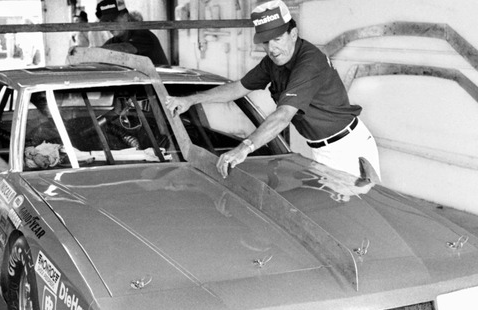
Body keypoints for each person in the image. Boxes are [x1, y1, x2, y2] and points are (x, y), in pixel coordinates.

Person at [166, 0, 380, 179]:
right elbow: (238, 88)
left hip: (348, 149)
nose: (272, 48)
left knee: (354, 212)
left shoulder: (309, 63)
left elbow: (283, 116)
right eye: (266, 42)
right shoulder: (273, 62)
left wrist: (244, 148)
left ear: (293, 34)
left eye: (277, 39)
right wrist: (190, 100)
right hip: (321, 149)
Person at [95, 0, 168, 66]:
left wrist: (94, 52)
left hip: (161, 76)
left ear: (126, 17)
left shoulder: (143, 34)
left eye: (113, 20)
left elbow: (124, 48)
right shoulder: (114, 41)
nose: (110, 26)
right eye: (107, 22)